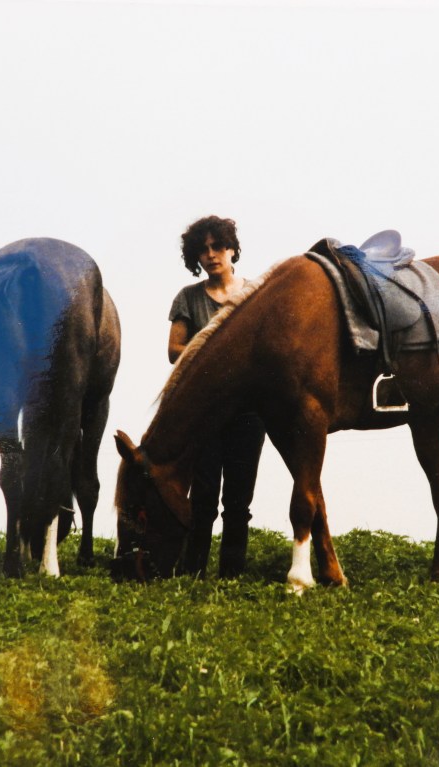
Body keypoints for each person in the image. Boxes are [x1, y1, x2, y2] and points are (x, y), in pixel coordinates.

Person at [167, 215, 266, 577]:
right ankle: (192, 570)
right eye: (202, 250)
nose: (211, 255)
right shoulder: (188, 298)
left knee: (239, 501)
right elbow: (174, 350)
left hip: (248, 411)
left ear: (232, 249)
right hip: (204, 411)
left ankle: (231, 574)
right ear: (195, 258)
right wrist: (216, 346)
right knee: (204, 496)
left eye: (217, 246)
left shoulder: (256, 292)